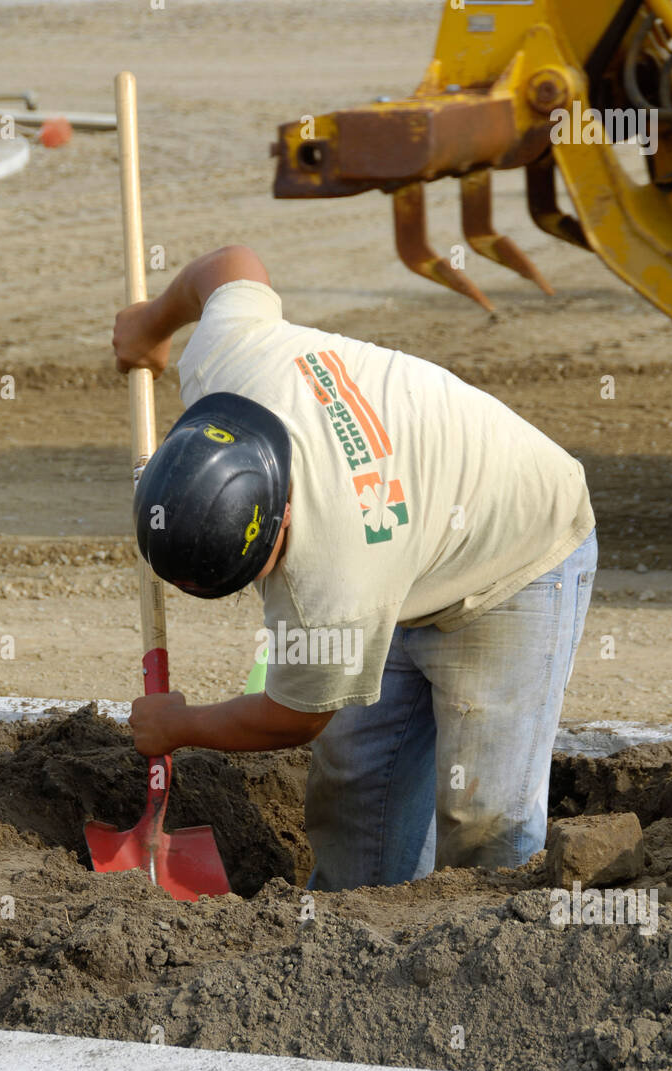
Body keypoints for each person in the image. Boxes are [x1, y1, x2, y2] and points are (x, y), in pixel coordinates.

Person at [113, 244, 597, 891]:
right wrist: (153, 323)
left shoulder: (330, 576)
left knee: (484, 819)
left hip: (515, 555)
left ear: (279, 524)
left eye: (256, 575)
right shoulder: (229, 360)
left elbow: (295, 717)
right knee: (358, 782)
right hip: (407, 539)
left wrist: (182, 724)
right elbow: (230, 267)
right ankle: (351, 934)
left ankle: (492, 962)